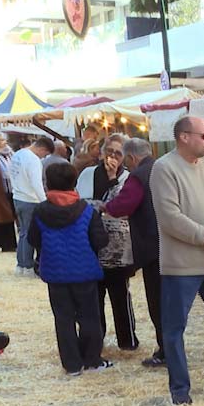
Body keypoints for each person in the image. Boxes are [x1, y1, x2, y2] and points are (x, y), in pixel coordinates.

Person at [151, 116, 204, 406]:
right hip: (182, 266)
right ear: (184, 137)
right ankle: (180, 389)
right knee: (175, 327)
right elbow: (170, 217)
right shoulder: (164, 168)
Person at [28, 162, 112, 376]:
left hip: (55, 272)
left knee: (63, 319)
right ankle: (92, 360)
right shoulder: (86, 210)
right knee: (90, 317)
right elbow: (100, 240)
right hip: (85, 271)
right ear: (74, 182)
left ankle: (72, 365)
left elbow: (33, 239)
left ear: (47, 183)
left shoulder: (40, 211)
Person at [103, 138, 164, 367]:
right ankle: (171, 347)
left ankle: (166, 350)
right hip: (174, 244)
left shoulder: (138, 176)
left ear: (131, 158)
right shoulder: (164, 167)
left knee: (158, 302)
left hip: (151, 246)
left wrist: (104, 207)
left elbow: (122, 206)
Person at [77, 133, 139, 352]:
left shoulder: (128, 178)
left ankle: (127, 341)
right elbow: (82, 203)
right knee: (94, 296)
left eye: (117, 153)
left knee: (120, 295)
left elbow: (119, 207)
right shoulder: (87, 174)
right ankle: (96, 340)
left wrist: (112, 180)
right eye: (108, 151)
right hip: (90, 244)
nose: (111, 156)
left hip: (118, 247)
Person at [10, 136, 54, 275]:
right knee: (30, 234)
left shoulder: (17, 154)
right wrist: (44, 201)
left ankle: (21, 264)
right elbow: (37, 183)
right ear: (42, 149)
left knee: (23, 232)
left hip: (18, 197)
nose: (43, 157)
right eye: (45, 154)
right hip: (31, 199)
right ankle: (28, 266)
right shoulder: (33, 160)